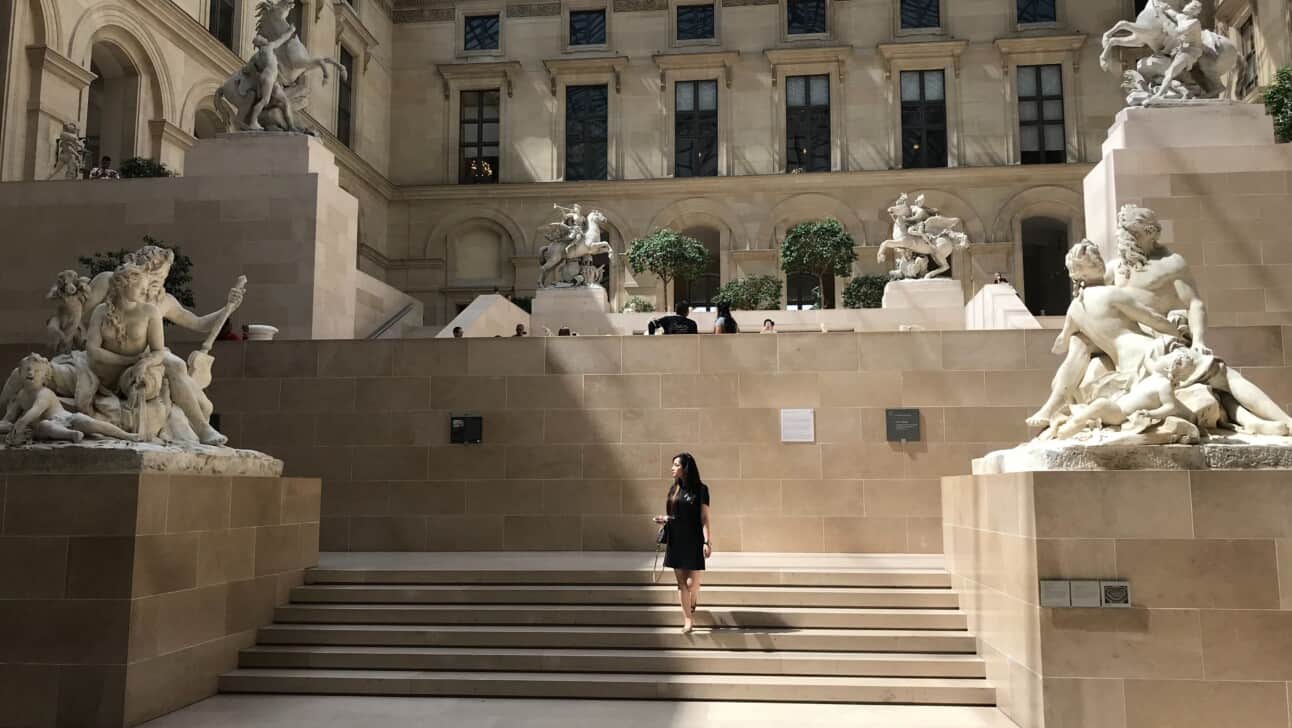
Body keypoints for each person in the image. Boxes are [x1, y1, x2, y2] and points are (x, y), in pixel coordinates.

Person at [653, 453, 711, 634]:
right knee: (681, 583)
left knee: (691, 583)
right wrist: (664, 520)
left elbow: (704, 517)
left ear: (685, 467)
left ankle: (693, 596)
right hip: (675, 540)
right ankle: (688, 620)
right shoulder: (673, 489)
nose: (672, 468)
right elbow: (673, 515)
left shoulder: (701, 489)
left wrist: (707, 541)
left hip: (694, 540)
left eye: (676, 464)